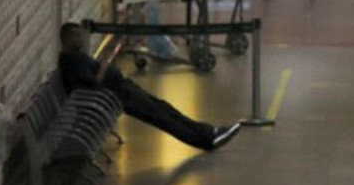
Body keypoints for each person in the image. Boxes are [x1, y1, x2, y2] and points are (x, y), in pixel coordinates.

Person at [57, 22, 241, 151]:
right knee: (161, 116)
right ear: (68, 38)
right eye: (78, 35)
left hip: (121, 90)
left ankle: (208, 132)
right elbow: (93, 84)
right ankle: (205, 139)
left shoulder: (75, 57)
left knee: (164, 109)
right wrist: (104, 66)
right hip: (118, 95)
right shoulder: (73, 61)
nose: (82, 38)